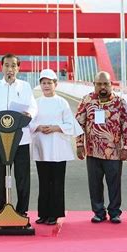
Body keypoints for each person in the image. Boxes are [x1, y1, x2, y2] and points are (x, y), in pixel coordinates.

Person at [75, 71, 127, 223]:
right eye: (99, 84)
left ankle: (114, 212)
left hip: (114, 152)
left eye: (106, 84)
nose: (102, 87)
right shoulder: (87, 100)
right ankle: (99, 212)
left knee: (114, 184)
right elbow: (79, 123)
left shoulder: (120, 102)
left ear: (111, 85)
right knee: (95, 184)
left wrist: (126, 148)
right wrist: (80, 145)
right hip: (92, 151)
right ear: (94, 85)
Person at [0, 53, 37, 216]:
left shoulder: (25, 86)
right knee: (3, 177)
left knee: (22, 177)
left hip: (21, 139)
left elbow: (33, 107)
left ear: (18, 68)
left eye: (13, 65)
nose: (10, 69)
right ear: (2, 67)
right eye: (7, 65)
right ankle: (3, 210)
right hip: (2, 140)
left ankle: (22, 211)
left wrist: (29, 113)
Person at [30, 69, 82, 225]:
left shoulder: (62, 102)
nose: (46, 86)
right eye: (43, 83)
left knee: (57, 182)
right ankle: (44, 214)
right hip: (41, 147)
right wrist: (39, 127)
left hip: (58, 148)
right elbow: (30, 122)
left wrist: (54, 127)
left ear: (55, 84)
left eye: (49, 83)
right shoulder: (36, 103)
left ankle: (55, 214)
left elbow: (69, 124)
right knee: (44, 181)